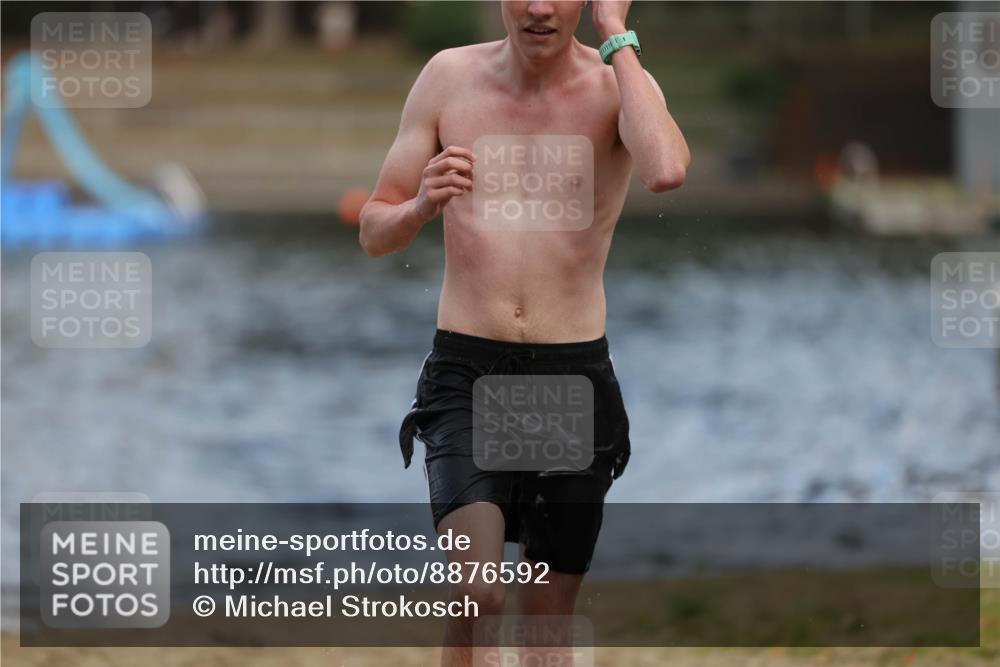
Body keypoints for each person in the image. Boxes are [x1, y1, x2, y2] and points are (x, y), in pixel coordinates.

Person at [359, 1, 689, 664]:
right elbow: (374, 229)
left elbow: (665, 170)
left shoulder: (614, 84)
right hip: (467, 369)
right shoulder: (448, 77)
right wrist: (422, 204)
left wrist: (615, 36)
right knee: (477, 593)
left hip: (569, 375)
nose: (540, 6)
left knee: (545, 620)